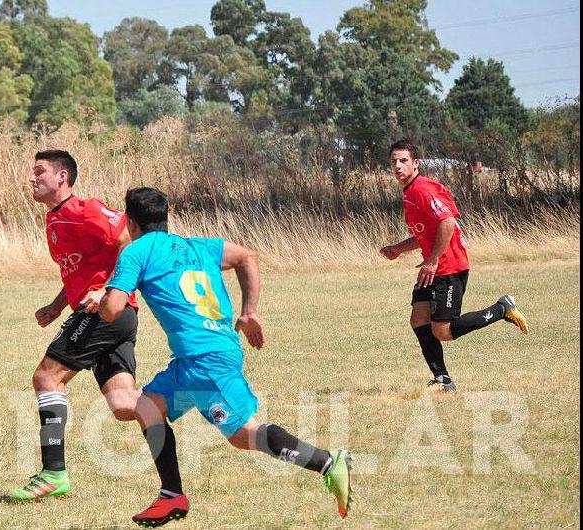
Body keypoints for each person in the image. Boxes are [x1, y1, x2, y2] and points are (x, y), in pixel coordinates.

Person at [99, 187, 353, 526]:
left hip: (204, 361)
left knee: (245, 433)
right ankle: (171, 495)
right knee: (147, 406)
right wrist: (249, 313)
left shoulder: (136, 251)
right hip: (198, 358)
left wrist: (101, 299)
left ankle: (327, 462)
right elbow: (247, 256)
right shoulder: (198, 246)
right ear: (165, 217)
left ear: (130, 221)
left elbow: (113, 309)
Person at [8, 150, 153, 500]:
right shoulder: (55, 219)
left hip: (104, 312)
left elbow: (130, 243)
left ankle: (53, 473)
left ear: (62, 177)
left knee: (46, 377)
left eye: (39, 171)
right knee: (122, 404)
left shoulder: (84, 209)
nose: (32, 177)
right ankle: (183, 396)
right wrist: (57, 306)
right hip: (113, 316)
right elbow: (80, 269)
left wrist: (107, 290)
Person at [380, 140, 529, 392]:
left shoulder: (423, 189)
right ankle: (443, 381)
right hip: (433, 266)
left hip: (448, 267)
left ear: (415, 163)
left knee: (444, 332)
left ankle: (502, 308)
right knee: (418, 319)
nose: (397, 165)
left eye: (403, 160)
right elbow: (425, 233)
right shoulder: (409, 192)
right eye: (394, 161)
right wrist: (398, 249)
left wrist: (433, 259)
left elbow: (447, 223)